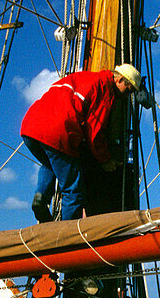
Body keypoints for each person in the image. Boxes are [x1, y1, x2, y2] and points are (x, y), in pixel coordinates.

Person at [21, 63, 141, 221]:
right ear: (119, 80)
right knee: (73, 192)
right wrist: (105, 160)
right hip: (58, 131)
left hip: (30, 126)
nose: (127, 96)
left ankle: (40, 199)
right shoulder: (105, 90)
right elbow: (95, 132)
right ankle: (66, 238)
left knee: (50, 162)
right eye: (129, 90)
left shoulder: (83, 77)